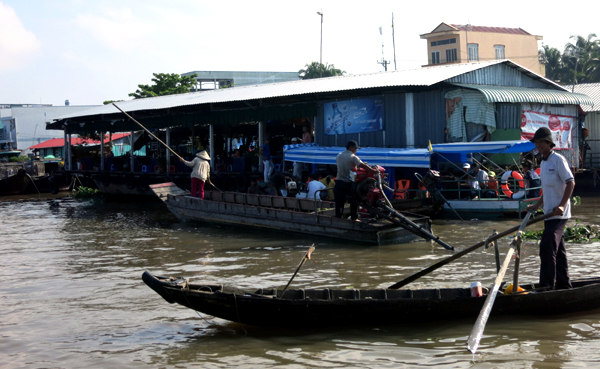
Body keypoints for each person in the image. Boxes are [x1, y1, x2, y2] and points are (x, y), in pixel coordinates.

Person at [526, 127, 575, 290]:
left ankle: (546, 286)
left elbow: (570, 182)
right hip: (548, 214)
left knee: (547, 246)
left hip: (559, 215)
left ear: (548, 143)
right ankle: (564, 285)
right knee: (558, 251)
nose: (538, 145)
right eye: (536, 142)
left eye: (541, 142)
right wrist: (537, 205)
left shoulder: (558, 160)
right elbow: (546, 190)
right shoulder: (543, 162)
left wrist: (561, 205)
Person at [334, 140, 378, 219]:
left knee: (339, 204)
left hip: (339, 183)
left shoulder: (339, 155)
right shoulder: (353, 157)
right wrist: (374, 171)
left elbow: (347, 166)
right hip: (349, 184)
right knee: (354, 202)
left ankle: (338, 219)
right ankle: (354, 218)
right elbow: (363, 166)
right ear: (351, 148)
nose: (356, 150)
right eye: (355, 148)